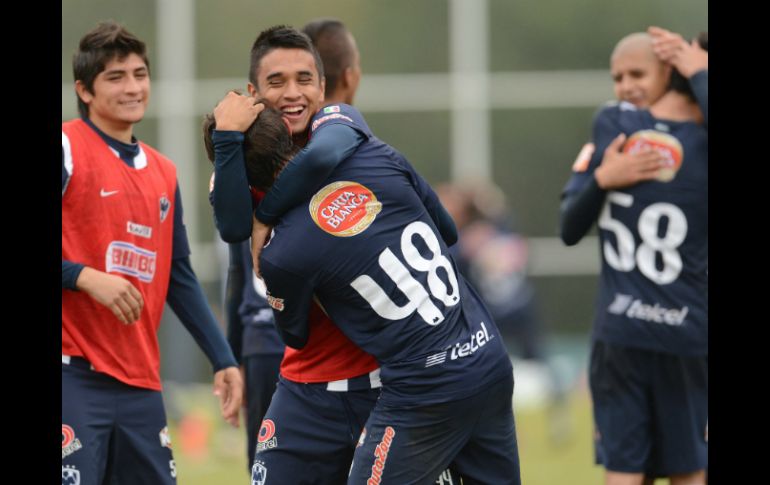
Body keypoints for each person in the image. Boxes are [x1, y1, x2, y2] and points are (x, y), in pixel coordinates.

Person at [61, 21, 242, 485]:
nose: (132, 87)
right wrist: (83, 276)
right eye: (115, 77)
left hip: (140, 382)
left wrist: (222, 358)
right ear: (84, 90)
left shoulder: (163, 171)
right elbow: (84, 275)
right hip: (72, 374)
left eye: (140, 74)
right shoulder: (67, 147)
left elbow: (177, 274)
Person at [216, 18, 365, 474]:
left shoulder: (345, 140)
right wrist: (230, 357)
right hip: (277, 352)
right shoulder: (242, 162)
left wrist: (267, 214)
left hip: (367, 361)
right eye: (276, 82)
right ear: (252, 92)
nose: (292, 93)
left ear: (323, 87)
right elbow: (234, 237)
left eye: (304, 80)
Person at [559, 31, 708, 485]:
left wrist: (602, 178)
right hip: (683, 332)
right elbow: (569, 228)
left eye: (637, 74)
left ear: (670, 71)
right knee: (689, 470)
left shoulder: (612, 124)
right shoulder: (699, 145)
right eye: (618, 77)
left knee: (624, 472)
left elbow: (568, 228)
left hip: (621, 329)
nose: (625, 87)